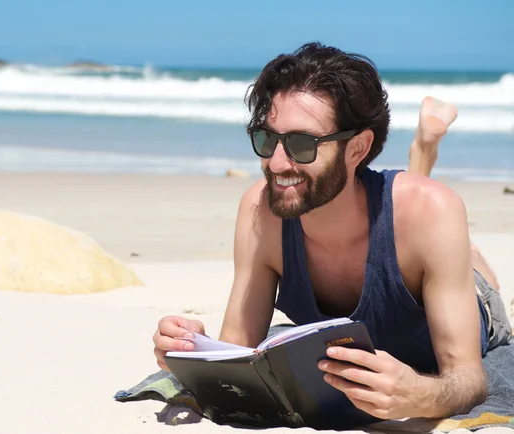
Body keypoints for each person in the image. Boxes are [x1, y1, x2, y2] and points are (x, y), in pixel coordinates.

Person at [152, 42, 512, 421]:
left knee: (445, 240)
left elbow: (468, 379)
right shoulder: (261, 212)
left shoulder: (435, 210)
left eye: (301, 145)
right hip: (399, 232)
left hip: (473, 297)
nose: (275, 163)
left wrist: (421, 395)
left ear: (357, 148)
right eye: (267, 138)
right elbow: (235, 351)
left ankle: (425, 158)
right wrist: (187, 351)